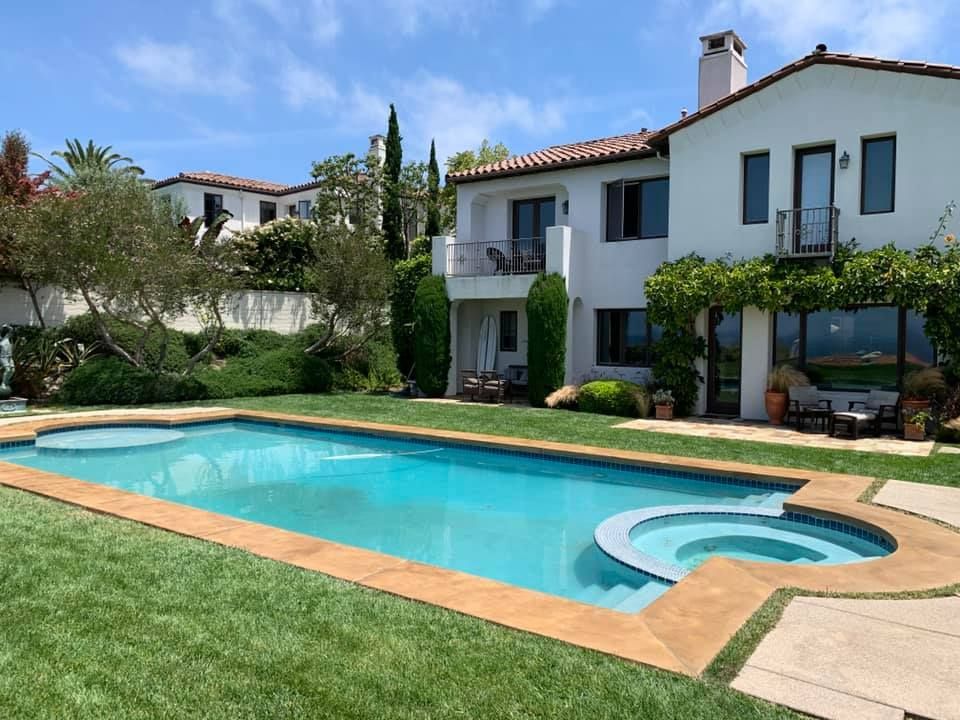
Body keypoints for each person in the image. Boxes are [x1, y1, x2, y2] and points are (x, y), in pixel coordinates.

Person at [0, 325, 14, 399]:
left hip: (9, 357)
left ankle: (6, 381)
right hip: (3, 357)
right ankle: (3, 383)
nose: (12, 333)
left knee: (12, 371)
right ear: (8, 333)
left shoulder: (9, 340)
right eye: (11, 332)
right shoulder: (2, 340)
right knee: (8, 370)